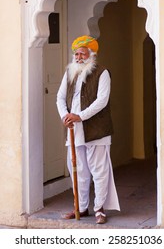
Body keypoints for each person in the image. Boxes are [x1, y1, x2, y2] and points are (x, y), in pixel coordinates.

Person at [56, 35, 120, 224]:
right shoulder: (69, 73)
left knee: (99, 170)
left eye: (82, 54)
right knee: (78, 170)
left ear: (91, 55)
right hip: (74, 130)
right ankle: (81, 208)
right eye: (76, 54)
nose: (78, 57)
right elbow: (59, 98)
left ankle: (99, 209)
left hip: (96, 130)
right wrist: (64, 116)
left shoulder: (102, 72)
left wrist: (80, 116)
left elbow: (102, 101)